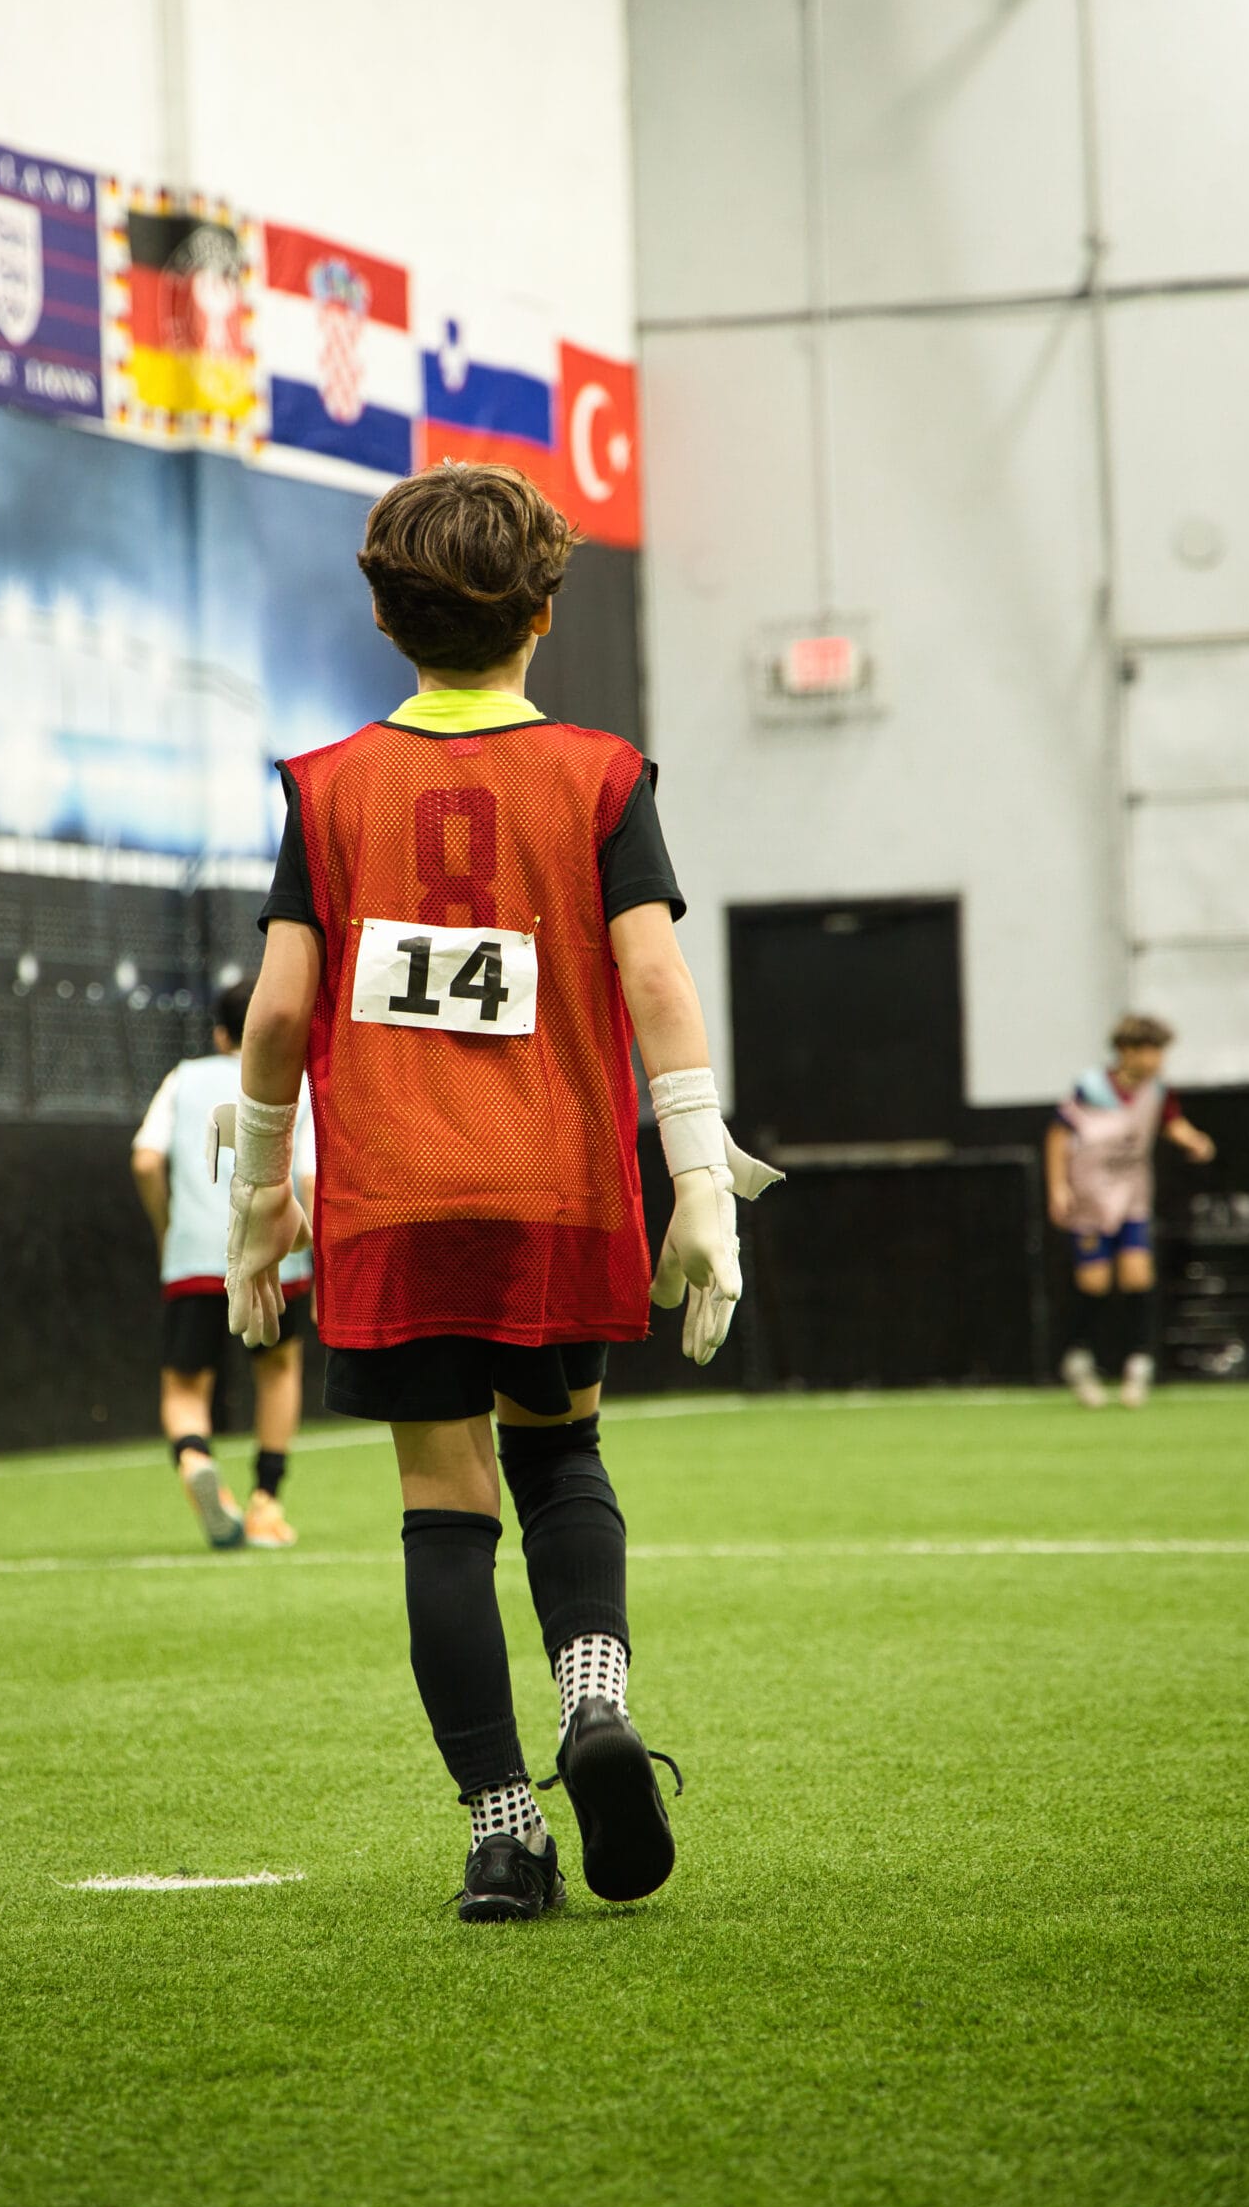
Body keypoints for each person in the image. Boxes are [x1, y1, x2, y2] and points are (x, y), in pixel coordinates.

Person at [218, 462, 776, 1924]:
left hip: (393, 1203)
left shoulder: (325, 790)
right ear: (541, 609)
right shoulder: (598, 776)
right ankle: (594, 1703)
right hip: (556, 1189)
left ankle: (501, 1829)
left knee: (437, 1505)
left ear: (384, 614)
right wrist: (700, 1180)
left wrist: (255, 1197)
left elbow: (275, 1021)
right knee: (559, 1455)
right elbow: (654, 981)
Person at [131, 979, 315, 1550]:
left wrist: (168, 1231)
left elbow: (144, 1160)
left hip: (194, 1251)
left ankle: (194, 1459)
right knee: (278, 1368)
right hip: (273, 1251)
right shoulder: (297, 1080)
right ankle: (266, 1501)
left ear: (218, 1033)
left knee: (186, 1383)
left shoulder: (183, 1079)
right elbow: (308, 1176)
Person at [1047, 1013, 1215, 1409]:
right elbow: (1058, 1136)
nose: (1157, 1060)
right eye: (1150, 1051)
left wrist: (1194, 1141)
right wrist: (1058, 1187)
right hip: (1090, 1198)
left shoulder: (1157, 1092)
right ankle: (1077, 1355)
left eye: (1160, 1052)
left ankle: (1139, 1362)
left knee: (1138, 1275)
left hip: (1132, 1196)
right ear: (1126, 1051)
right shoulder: (1090, 1089)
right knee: (1095, 1283)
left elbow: (1172, 1124)